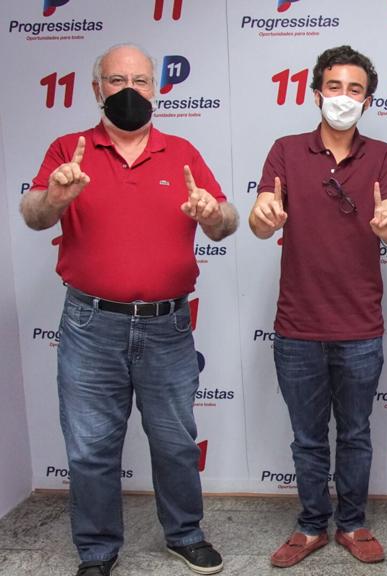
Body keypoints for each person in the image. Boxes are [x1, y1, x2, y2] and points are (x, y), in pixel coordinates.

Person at [22, 43, 238, 576]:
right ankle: (96, 551)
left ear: (155, 89)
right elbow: (33, 214)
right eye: (117, 80)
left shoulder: (181, 151)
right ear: (97, 89)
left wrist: (212, 214)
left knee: (175, 441)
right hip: (91, 325)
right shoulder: (69, 150)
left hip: (167, 325)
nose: (129, 90)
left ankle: (185, 534)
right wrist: (55, 197)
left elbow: (225, 221)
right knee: (91, 446)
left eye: (140, 81)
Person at [249, 45, 387, 568]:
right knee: (308, 438)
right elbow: (260, 216)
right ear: (317, 93)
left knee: (356, 434)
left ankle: (353, 523)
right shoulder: (286, 150)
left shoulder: (382, 155)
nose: (343, 97)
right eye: (334, 87)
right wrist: (264, 217)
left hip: (359, 325)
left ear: (367, 100)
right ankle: (312, 524)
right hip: (298, 325)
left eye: (354, 89)